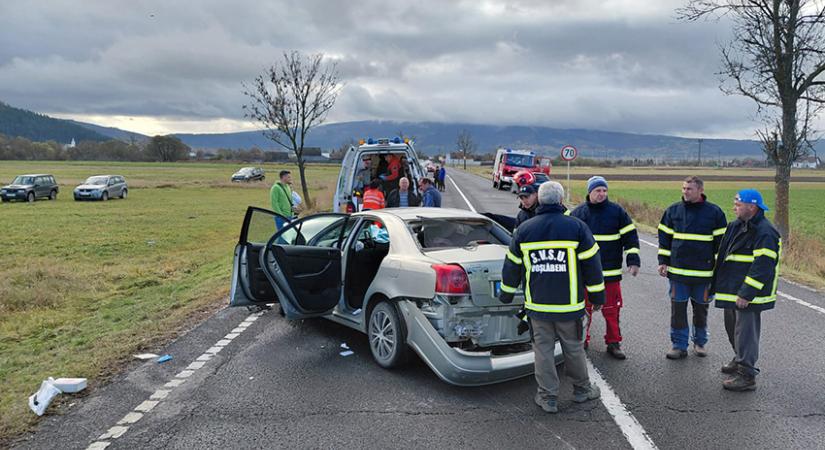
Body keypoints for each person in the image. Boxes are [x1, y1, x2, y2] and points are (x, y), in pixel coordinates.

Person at [500, 181, 605, 414]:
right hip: (569, 306)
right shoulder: (577, 227)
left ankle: (547, 398)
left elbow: (512, 266)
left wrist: (506, 294)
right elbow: (592, 265)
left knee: (543, 352)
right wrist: (598, 296)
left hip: (538, 307)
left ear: (539, 199)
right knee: (574, 348)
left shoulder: (524, 230)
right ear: (560, 200)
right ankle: (582, 390)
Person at [711, 189, 780, 391]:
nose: (734, 207)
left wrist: (746, 293)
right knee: (732, 327)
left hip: (748, 293)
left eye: (738, 204)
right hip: (731, 288)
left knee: (746, 333)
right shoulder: (735, 225)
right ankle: (740, 358)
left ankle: (747, 374)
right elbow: (723, 256)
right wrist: (713, 285)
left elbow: (763, 265)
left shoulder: (765, 231)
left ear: (752, 206)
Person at [658, 176, 728, 359]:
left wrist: (718, 270)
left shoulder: (715, 213)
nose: (685, 192)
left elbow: (721, 245)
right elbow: (664, 239)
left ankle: (700, 342)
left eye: (689, 189)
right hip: (678, 274)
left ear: (700, 190)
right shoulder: (673, 211)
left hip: (703, 274)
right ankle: (678, 345)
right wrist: (663, 261)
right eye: (683, 188)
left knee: (701, 310)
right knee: (678, 311)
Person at [571, 176, 640, 359]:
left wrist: (633, 260)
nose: (602, 194)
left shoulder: (617, 212)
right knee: (583, 310)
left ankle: (613, 343)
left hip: (610, 274)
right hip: (585, 275)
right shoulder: (578, 214)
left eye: (604, 190)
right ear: (589, 192)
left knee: (612, 310)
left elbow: (630, 237)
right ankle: (582, 341)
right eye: (598, 190)